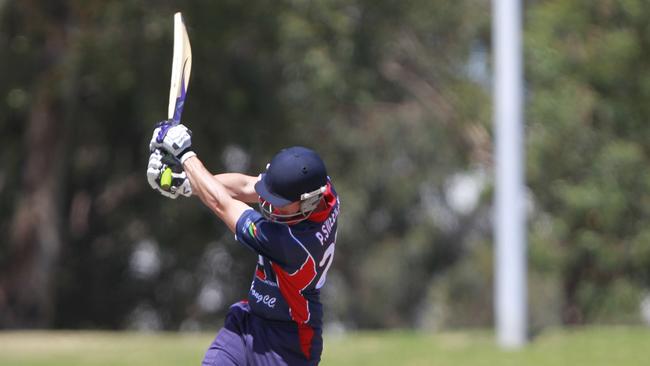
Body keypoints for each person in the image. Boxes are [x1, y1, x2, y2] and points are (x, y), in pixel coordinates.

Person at [146, 121, 340, 366]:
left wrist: (185, 154)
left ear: (308, 202)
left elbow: (222, 204)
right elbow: (249, 186)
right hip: (248, 320)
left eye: (279, 202)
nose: (269, 206)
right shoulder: (320, 189)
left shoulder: (292, 245)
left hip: (289, 343)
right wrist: (184, 182)